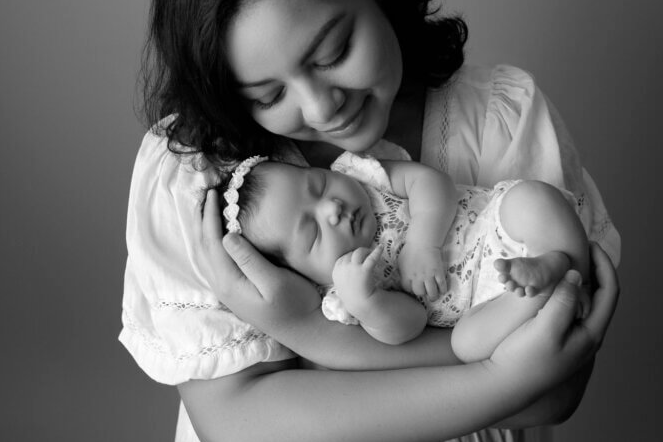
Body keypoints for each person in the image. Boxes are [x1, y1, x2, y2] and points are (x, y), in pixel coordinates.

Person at [120, 0, 621, 442]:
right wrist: (499, 378)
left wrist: (307, 341)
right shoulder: (199, 181)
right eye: (269, 95)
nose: (321, 105)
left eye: (334, 50)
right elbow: (244, 428)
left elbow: (554, 389)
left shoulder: (498, 118)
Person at [210, 152, 590, 361]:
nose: (332, 209)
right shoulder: (343, 293)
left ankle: (566, 268)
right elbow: (412, 323)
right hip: (486, 301)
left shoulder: (363, 176)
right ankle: (545, 284)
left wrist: (423, 242)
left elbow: (430, 182)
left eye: (319, 185)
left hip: (497, 224)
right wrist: (369, 303)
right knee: (466, 346)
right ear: (302, 273)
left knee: (533, 199)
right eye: (312, 233)